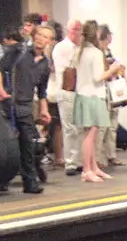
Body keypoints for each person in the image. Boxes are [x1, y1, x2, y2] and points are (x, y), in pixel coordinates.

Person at [9, 21, 52, 193]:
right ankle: (2, 180)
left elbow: (42, 91)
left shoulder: (44, 65)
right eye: (40, 35)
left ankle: (30, 182)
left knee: (28, 144)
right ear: (34, 36)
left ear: (50, 42)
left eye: (46, 37)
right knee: (8, 144)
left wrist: (44, 110)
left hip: (25, 106)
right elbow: (0, 68)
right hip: (9, 104)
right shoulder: (19, 52)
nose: (42, 39)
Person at [73, 20, 111, 183]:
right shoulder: (95, 53)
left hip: (82, 95)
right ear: (96, 34)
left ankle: (94, 167)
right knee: (90, 135)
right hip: (93, 97)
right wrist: (113, 69)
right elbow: (98, 77)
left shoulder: (80, 52)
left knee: (89, 134)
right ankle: (87, 170)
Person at [52, 19, 84, 176]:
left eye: (79, 30)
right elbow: (68, 68)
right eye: (74, 30)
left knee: (80, 128)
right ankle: (70, 163)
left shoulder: (82, 47)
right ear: (68, 30)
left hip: (80, 91)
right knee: (70, 128)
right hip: (67, 92)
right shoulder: (62, 48)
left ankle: (79, 161)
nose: (77, 33)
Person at [98, 25, 127, 168]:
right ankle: (99, 157)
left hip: (113, 90)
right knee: (102, 127)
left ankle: (111, 155)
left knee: (112, 125)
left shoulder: (108, 52)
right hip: (103, 91)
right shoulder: (97, 53)